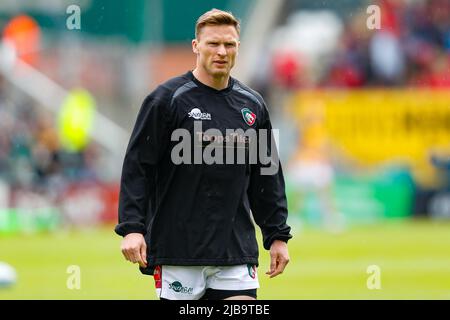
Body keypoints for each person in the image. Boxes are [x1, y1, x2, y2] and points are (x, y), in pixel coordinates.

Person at [115, 8, 292, 300]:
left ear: (238, 48)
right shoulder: (166, 100)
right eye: (213, 43)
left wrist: (277, 235)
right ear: (196, 47)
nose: (221, 51)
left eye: (229, 44)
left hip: (235, 249)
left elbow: (267, 177)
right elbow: (138, 167)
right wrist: (132, 228)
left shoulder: (253, 105)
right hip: (179, 250)